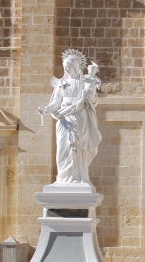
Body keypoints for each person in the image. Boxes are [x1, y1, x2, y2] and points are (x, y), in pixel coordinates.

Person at [38, 49, 102, 184]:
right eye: (65, 67)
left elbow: (92, 99)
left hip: (79, 117)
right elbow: (55, 103)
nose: (67, 69)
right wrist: (46, 110)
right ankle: (63, 177)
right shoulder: (61, 84)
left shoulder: (84, 82)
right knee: (62, 148)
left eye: (69, 67)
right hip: (63, 119)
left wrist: (88, 93)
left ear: (76, 67)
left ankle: (78, 177)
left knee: (77, 147)